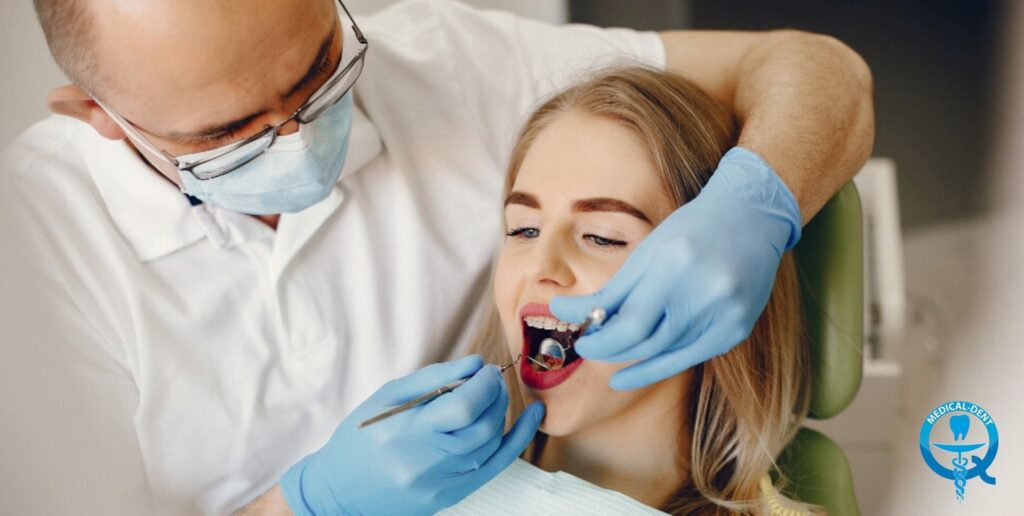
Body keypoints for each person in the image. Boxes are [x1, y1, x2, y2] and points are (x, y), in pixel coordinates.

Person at [0, 0, 872, 514]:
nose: (299, 140)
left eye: (317, 74)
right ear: (98, 116)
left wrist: (760, 202)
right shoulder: (33, 254)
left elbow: (812, 68)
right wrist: (309, 505)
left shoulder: (455, 66)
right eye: (229, 134)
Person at [444, 65, 811, 515]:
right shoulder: (426, 489)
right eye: (523, 229)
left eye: (603, 237)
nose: (540, 266)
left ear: (716, 282)